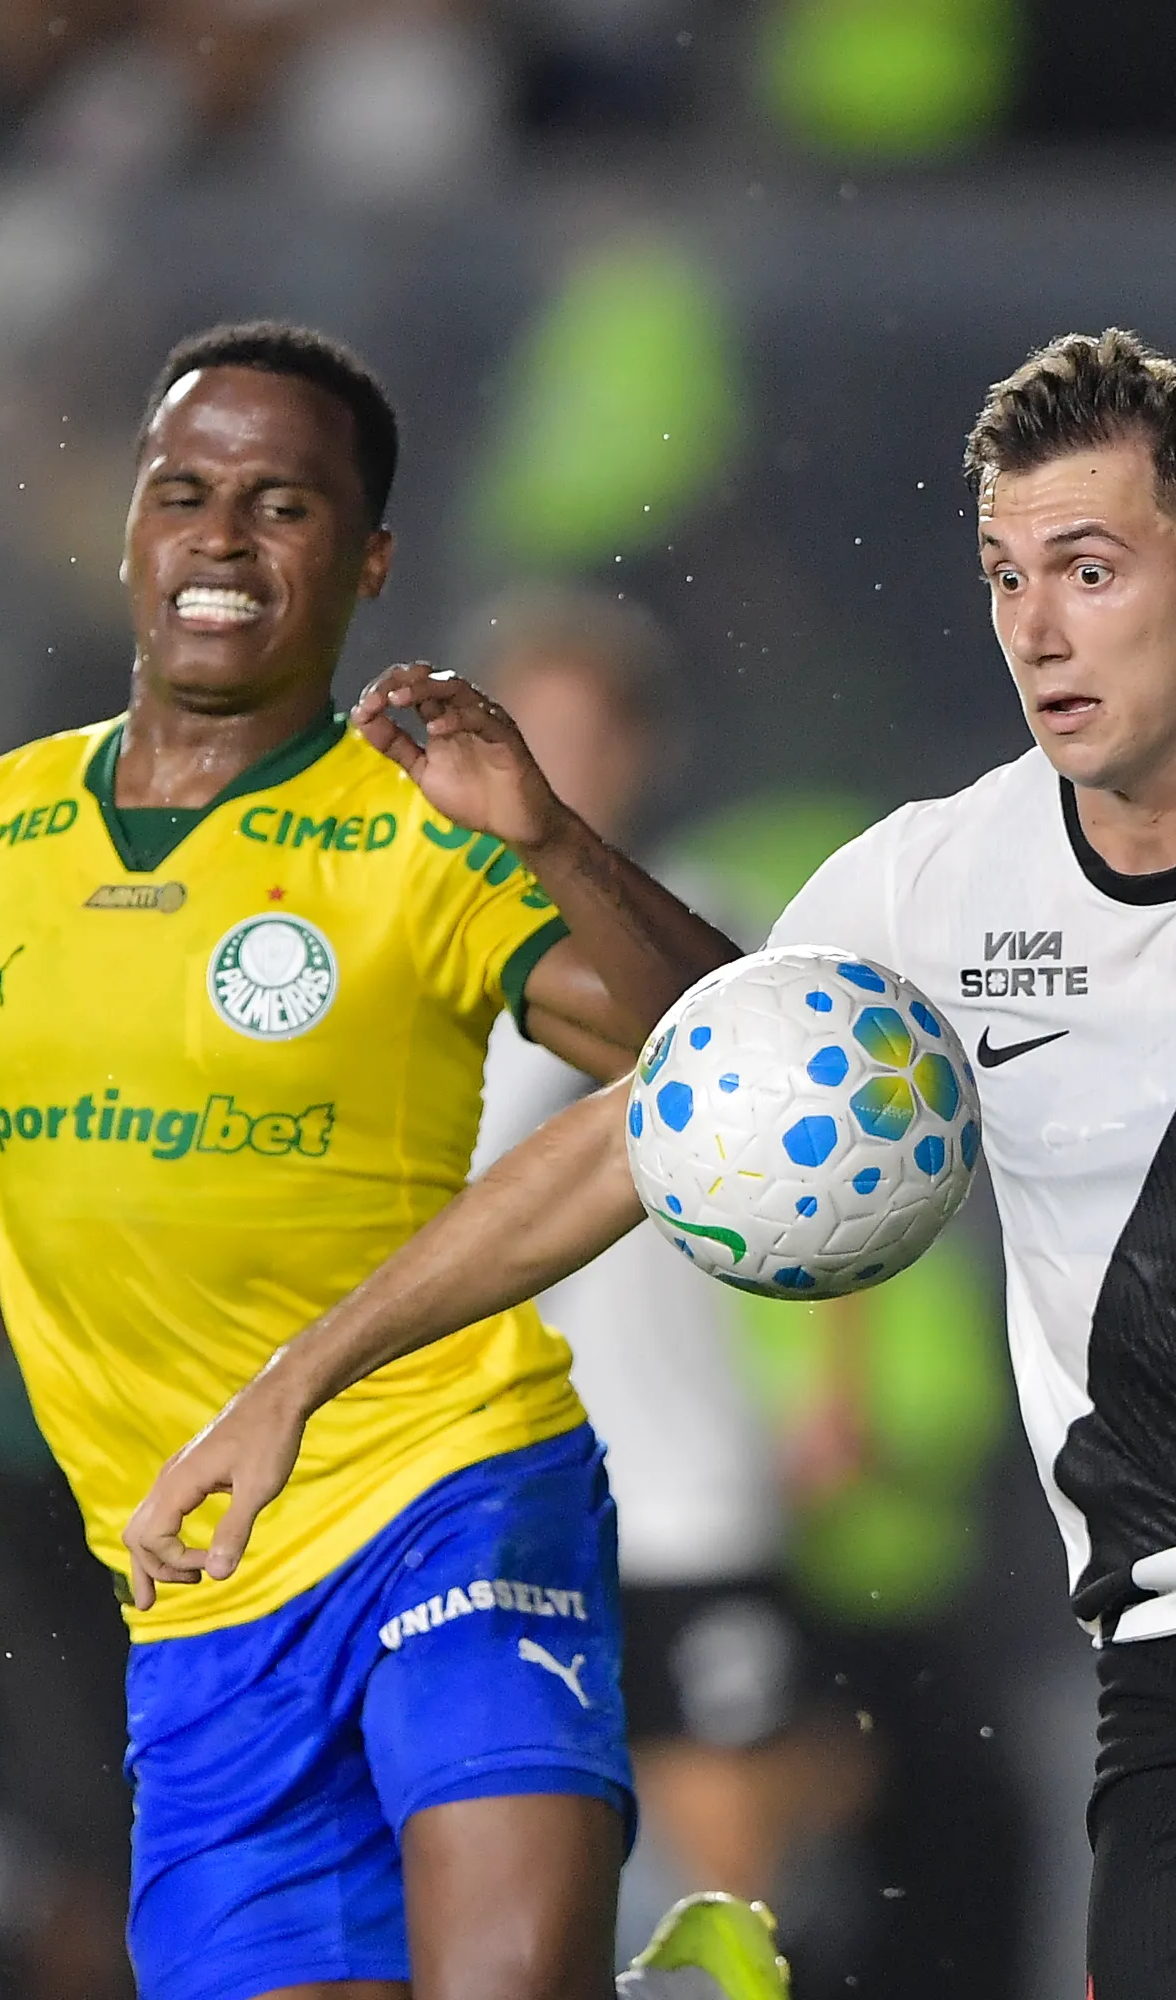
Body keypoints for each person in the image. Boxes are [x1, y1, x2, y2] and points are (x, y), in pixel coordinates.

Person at [126, 328, 1176, 2000]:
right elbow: (693, 1098)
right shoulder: (933, 881)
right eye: (1003, 578)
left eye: (1088, 567)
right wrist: (298, 1381)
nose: (1039, 631)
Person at [0, 317, 787, 2000]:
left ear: (367, 563)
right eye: (185, 492)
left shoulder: (424, 831)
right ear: (136, 532)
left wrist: (554, 836)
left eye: (284, 505)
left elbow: (740, 1066)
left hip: (454, 1492)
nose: (223, 535)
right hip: (197, 1594)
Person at [457, 588, 840, 1927]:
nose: (556, 768)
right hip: (492, 1482)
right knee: (510, 1854)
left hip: (687, 1479)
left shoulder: (709, 928)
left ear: (641, 752)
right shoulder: (427, 950)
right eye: (530, 734)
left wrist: (830, 1384)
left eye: (583, 735)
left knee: (731, 1862)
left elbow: (844, 1160)